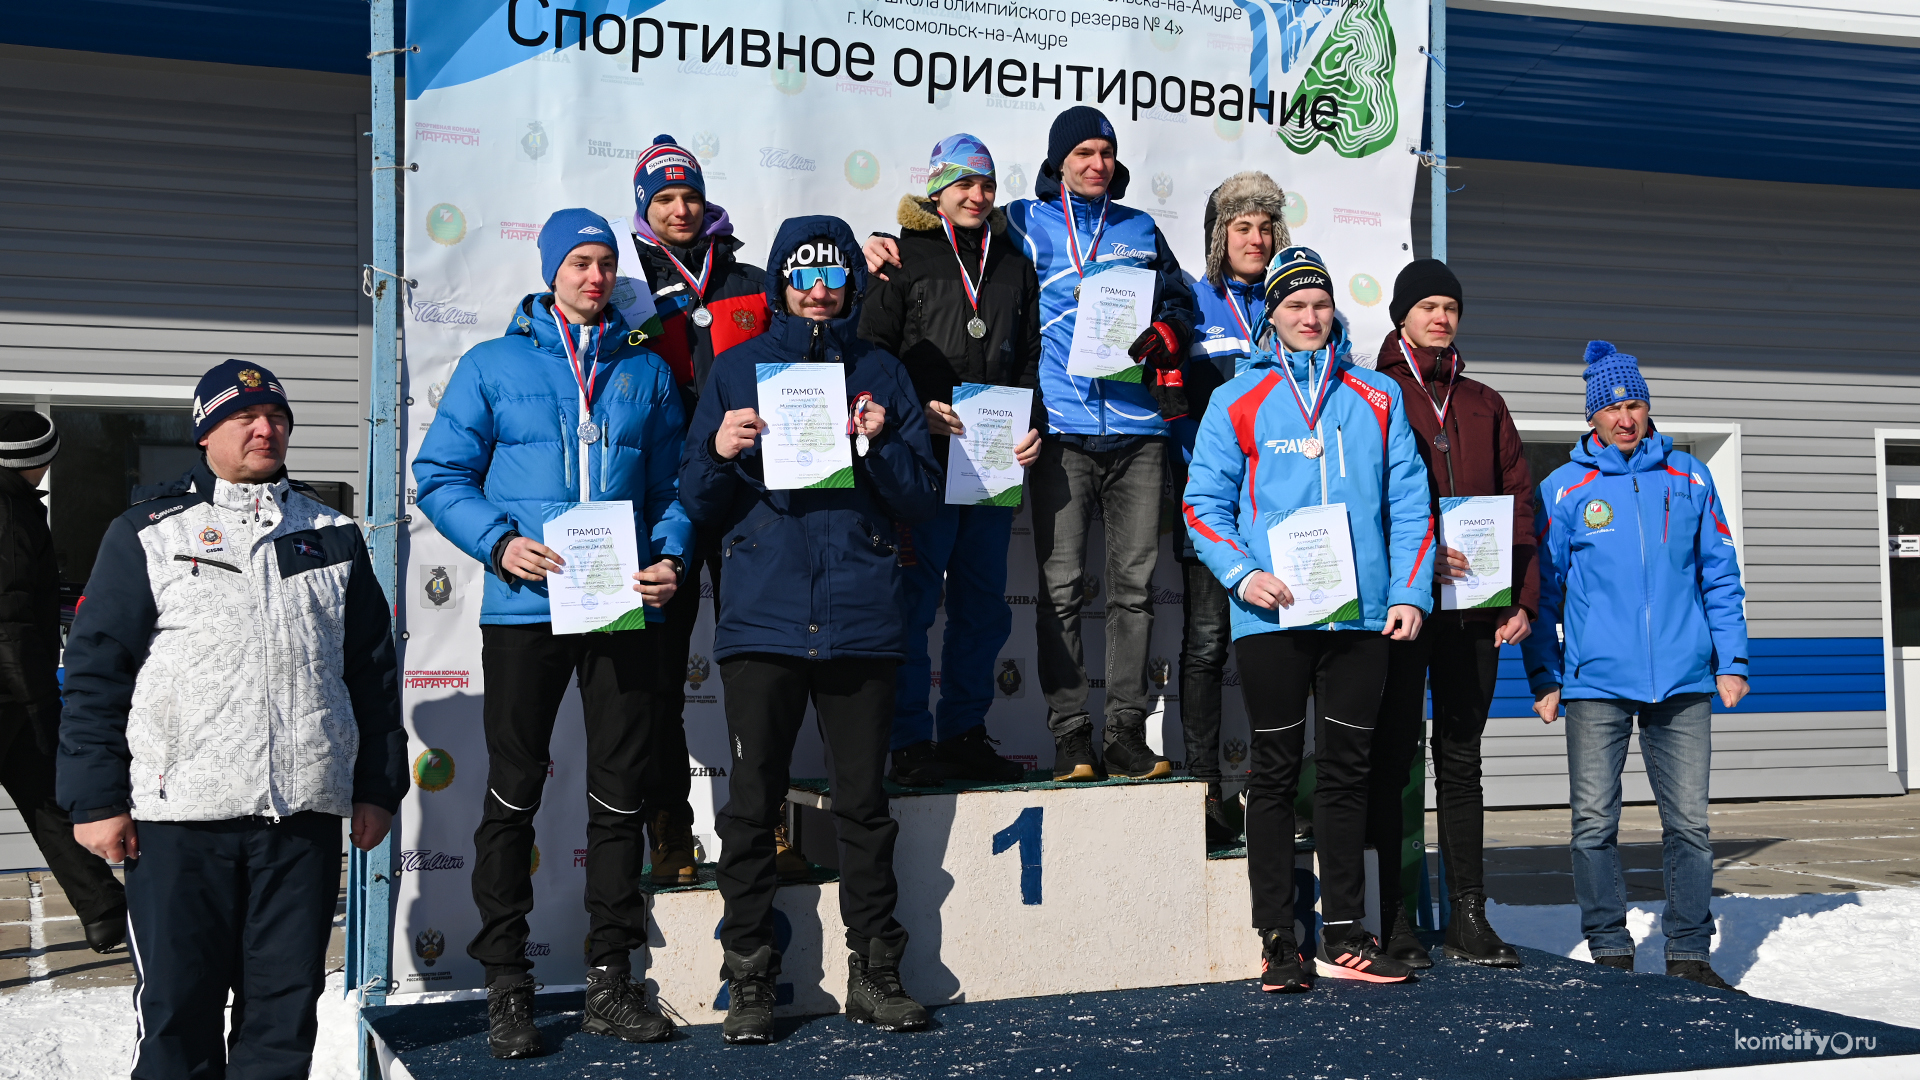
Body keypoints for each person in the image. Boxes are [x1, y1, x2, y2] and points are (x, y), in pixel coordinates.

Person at [58, 361, 405, 1079]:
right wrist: (95, 799)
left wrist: (377, 784)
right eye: (243, 416)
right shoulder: (147, 531)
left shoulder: (333, 534)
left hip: (300, 819)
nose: (264, 427)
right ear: (204, 431)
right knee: (179, 1014)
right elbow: (96, 674)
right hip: (180, 819)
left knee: (283, 1015)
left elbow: (370, 673)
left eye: (276, 415)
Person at [413, 209, 693, 1056]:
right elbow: (439, 473)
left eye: (607, 262)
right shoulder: (493, 364)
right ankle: (507, 984)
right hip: (525, 607)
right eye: (579, 261)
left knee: (619, 792)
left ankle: (612, 976)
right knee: (512, 790)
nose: (596, 275)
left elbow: (677, 484)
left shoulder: (644, 372)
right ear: (550, 271)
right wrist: (500, 542)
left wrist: (672, 553)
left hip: (618, 606)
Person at [871, 106, 1198, 782]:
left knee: (1119, 593)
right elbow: (897, 307)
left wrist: (1167, 331)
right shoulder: (1013, 224)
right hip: (1025, 438)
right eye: (1081, 152)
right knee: (1048, 590)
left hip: (1109, 433)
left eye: (1105, 151)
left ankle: (1115, 734)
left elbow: (1177, 301)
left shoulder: (1127, 229)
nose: (1096, 163)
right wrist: (871, 242)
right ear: (1057, 161)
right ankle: (1057, 735)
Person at [680, 217, 940, 1043]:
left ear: (851, 286)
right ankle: (751, 978)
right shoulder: (734, 370)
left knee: (864, 807)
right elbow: (696, 499)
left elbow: (920, 496)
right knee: (752, 809)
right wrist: (720, 449)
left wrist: (875, 446)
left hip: (863, 616)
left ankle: (877, 971)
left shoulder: (882, 372)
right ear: (780, 282)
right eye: (804, 275)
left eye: (832, 277)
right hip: (764, 615)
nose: (819, 290)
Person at [1183, 247, 1434, 992]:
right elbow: (1203, 504)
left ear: (1334, 311)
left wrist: (1411, 593)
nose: (1309, 316)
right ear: (1273, 315)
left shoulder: (1378, 394)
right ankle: (1277, 939)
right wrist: (1243, 573)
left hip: (1359, 621)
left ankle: (1347, 934)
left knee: (1349, 774)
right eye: (1294, 304)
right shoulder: (1238, 397)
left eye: (1319, 303)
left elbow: (1411, 503)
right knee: (1274, 776)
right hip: (1275, 620)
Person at [1525, 340, 1750, 994]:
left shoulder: (1690, 478)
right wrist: (1544, 676)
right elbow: (1544, 592)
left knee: (1690, 827)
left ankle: (1687, 953)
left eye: (1635, 404)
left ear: (1648, 407)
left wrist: (1730, 659)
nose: (1626, 417)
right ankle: (1611, 953)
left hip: (1683, 681)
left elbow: (1720, 576)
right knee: (1594, 823)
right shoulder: (1565, 489)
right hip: (1594, 682)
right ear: (1592, 416)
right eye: (1613, 407)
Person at [857, 133, 1042, 787]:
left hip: (991, 458)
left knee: (983, 605)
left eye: (987, 185)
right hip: (921, 459)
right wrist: (917, 409)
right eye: (964, 184)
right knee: (912, 601)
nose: (977, 195)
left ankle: (964, 733)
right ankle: (908, 742)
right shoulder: (903, 259)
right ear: (936, 190)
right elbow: (872, 354)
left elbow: (1027, 360)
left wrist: (1034, 428)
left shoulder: (1015, 264)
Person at [1366, 260, 1536, 970]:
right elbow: (1360, 498)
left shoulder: (1483, 401)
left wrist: (1521, 600)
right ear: (1402, 316)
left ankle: (1470, 916)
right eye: (1428, 305)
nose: (1441, 316)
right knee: (1394, 760)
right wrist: (1417, 554)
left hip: (1474, 615)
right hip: (1405, 609)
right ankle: (1395, 918)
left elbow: (1521, 502)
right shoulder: (1372, 394)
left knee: (1462, 762)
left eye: (1450, 307)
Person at [624, 133, 770, 885]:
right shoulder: (625, 292)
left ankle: (764, 828)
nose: (681, 209)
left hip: (747, 493)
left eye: (690, 195)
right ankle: (670, 837)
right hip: (663, 495)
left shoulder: (751, 278)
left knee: (761, 664)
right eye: (664, 198)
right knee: (657, 671)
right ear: (645, 210)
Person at [1178, 172, 1286, 842]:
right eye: (1242, 227)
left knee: (1279, 655)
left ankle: (1274, 792)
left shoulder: (1299, 306)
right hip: (1210, 503)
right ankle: (1206, 795)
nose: (1255, 237)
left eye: (1265, 226)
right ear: (1221, 234)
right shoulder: (1190, 301)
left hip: (1281, 513)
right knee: (1207, 647)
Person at [0, 414, 127, 952]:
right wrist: (32, 694)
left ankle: (104, 912)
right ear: (39, 461)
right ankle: (103, 912)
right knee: (47, 801)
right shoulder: (10, 512)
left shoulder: (16, 506)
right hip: (12, 692)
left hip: (14, 687)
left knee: (45, 801)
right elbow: (9, 610)